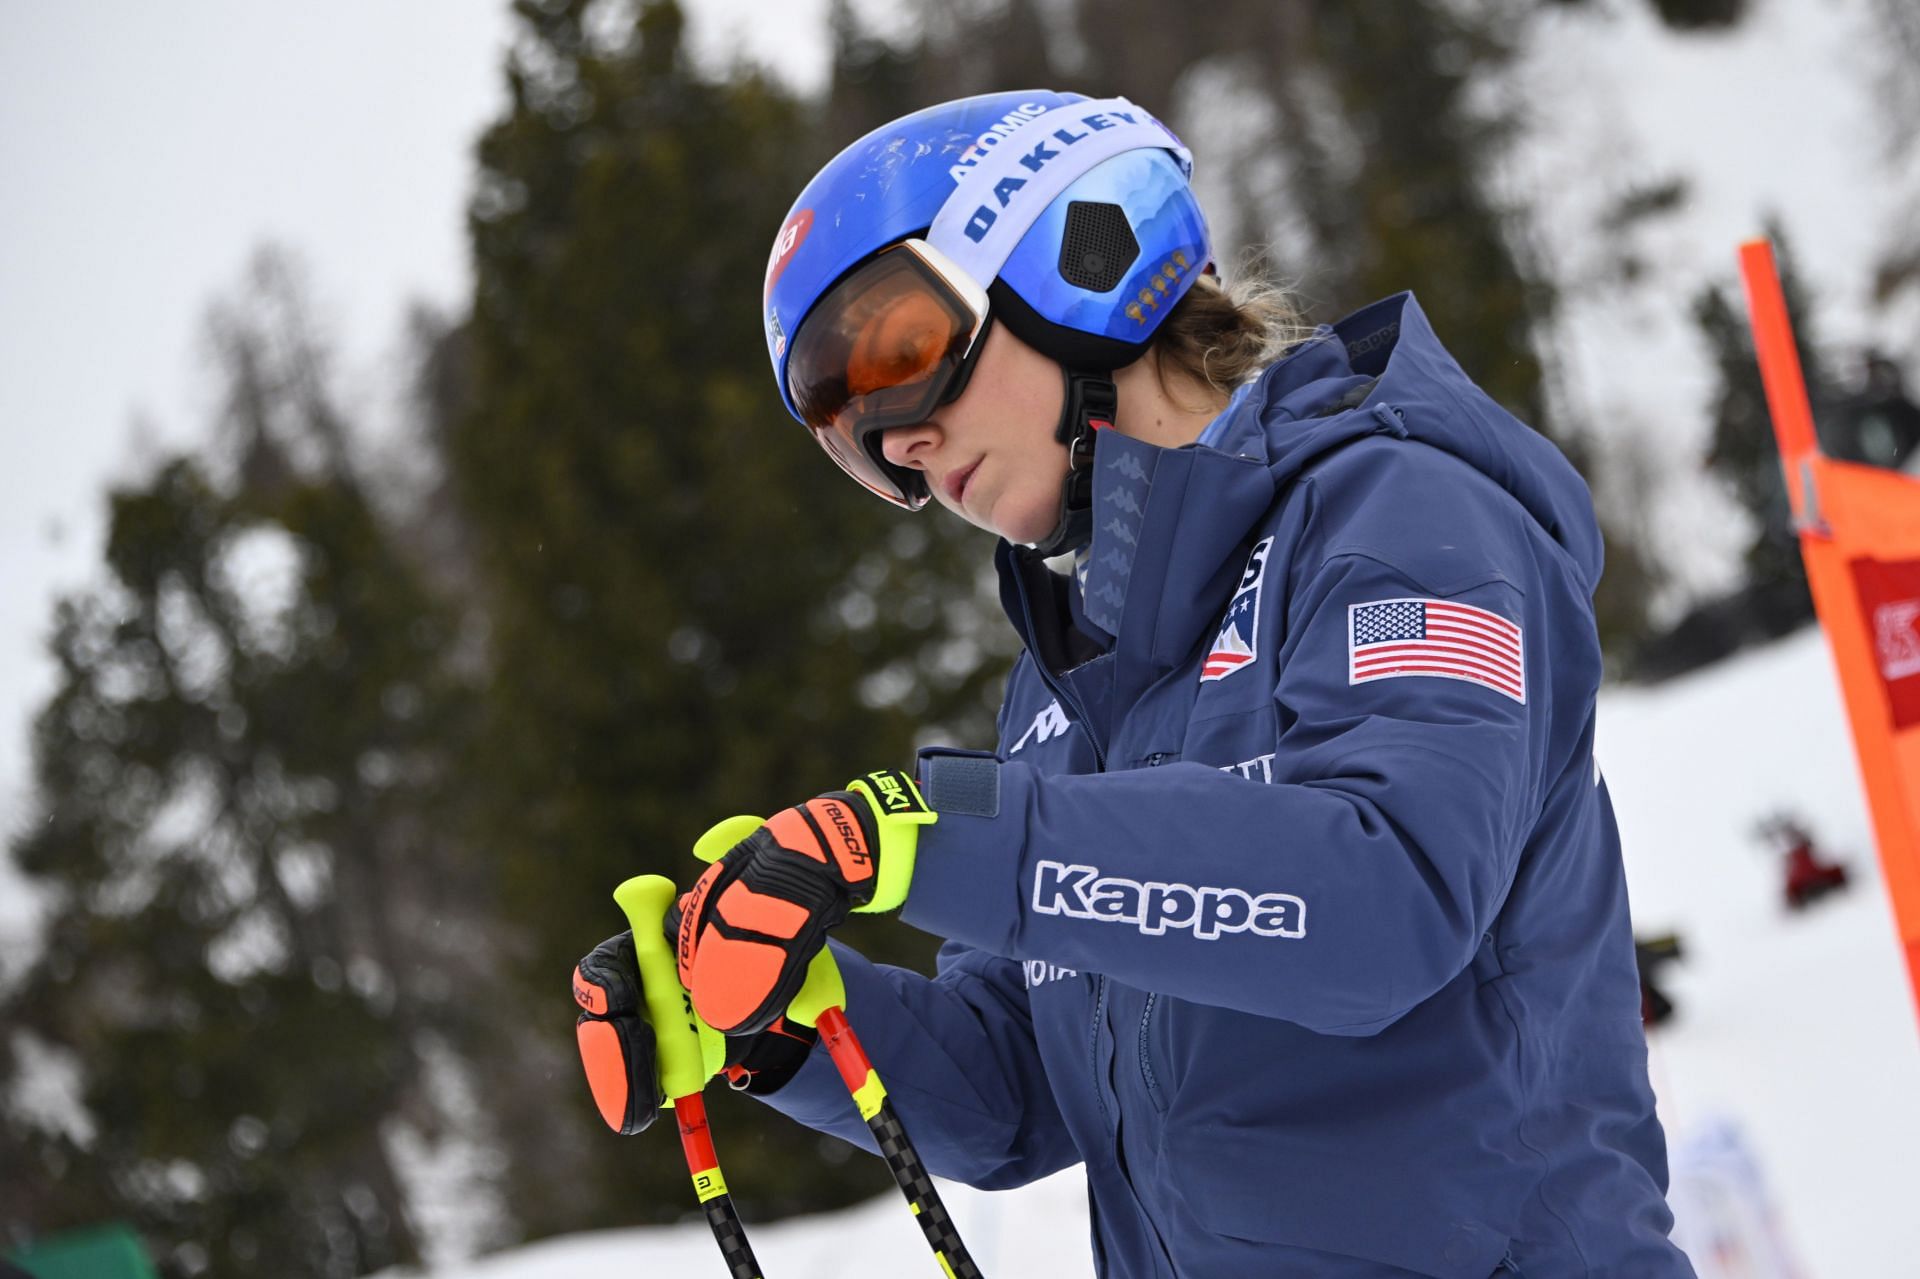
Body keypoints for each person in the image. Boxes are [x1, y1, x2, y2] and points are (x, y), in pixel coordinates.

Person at [570, 89, 1695, 1276]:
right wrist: (788, 1013)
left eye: (898, 353)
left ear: (1079, 259)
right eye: (845, 422)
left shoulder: (1402, 518)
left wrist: (929, 837)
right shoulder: (1066, 686)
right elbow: (1017, 1091)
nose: (896, 440)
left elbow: (1394, 891)